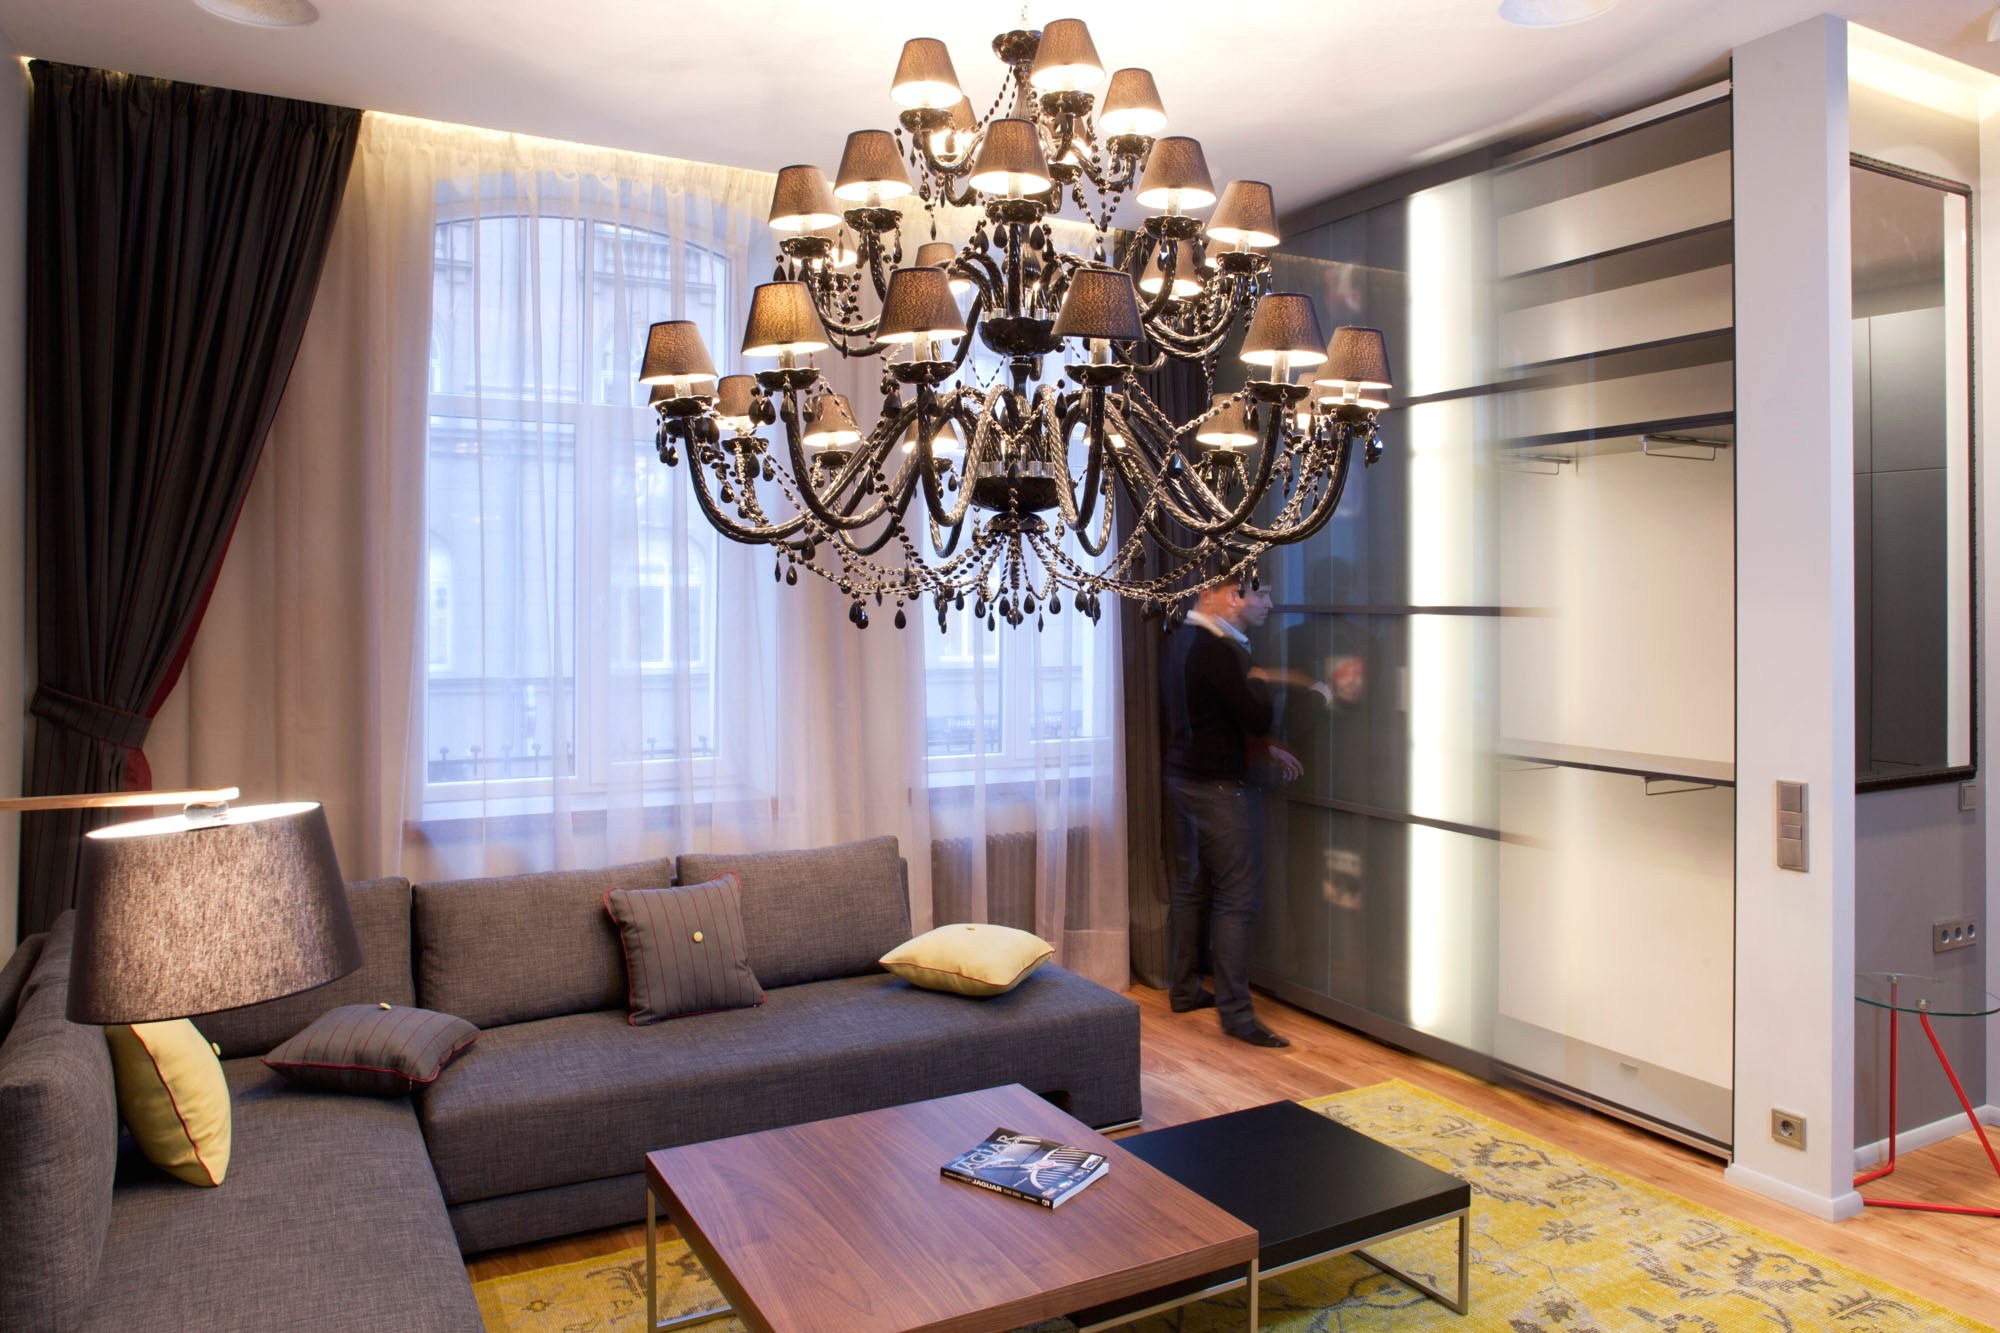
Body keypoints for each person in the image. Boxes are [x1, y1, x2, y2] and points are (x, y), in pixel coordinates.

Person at [1159, 571, 1308, 1047]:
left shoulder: (1179, 638)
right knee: (1237, 898)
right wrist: (1262, 680)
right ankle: (1237, 1015)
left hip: (1182, 778)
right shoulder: (1220, 650)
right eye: (1256, 593)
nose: (1265, 603)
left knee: (1192, 888)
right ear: (1217, 595)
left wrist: (1263, 745)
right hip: (1219, 788)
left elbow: (1210, 717)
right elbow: (1256, 716)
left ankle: (1185, 990)